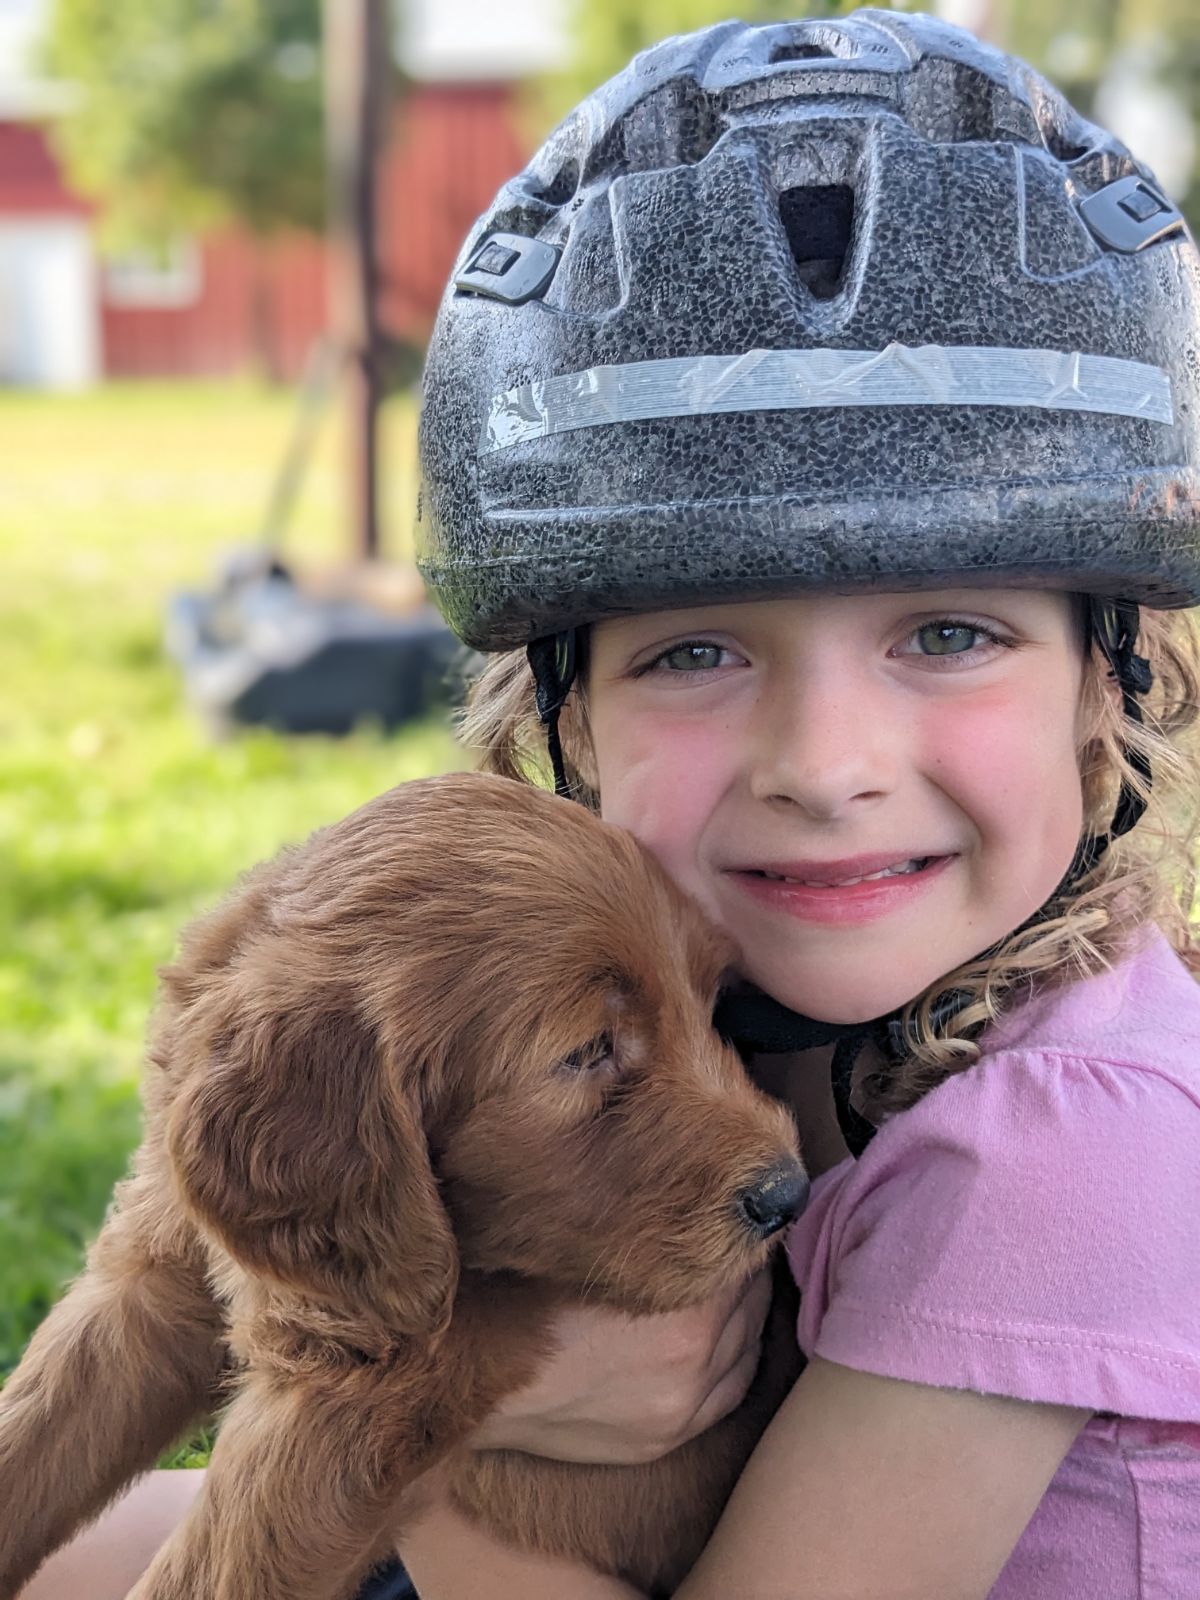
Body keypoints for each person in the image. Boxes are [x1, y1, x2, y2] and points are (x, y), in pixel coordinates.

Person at [18, 10, 1200, 1599]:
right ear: (558, 713)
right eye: (698, 651)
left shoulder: (1070, 1144)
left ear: (1107, 686)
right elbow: (159, 1299)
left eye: (948, 633)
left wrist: (412, 1416)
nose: (825, 763)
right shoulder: (705, 978)